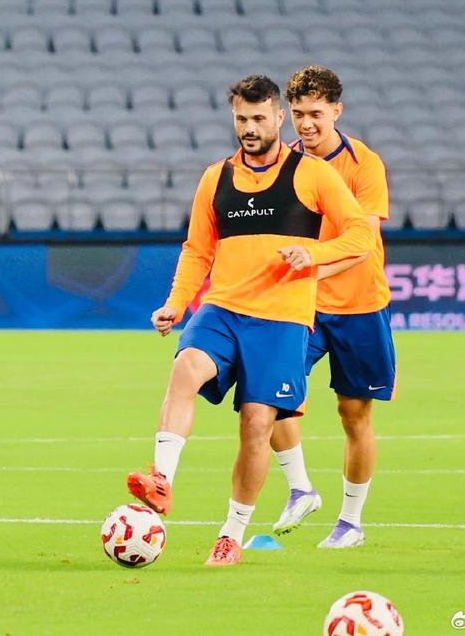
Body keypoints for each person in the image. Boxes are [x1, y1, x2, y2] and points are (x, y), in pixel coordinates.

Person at [126, 74, 375, 566]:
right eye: (241, 119)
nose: (249, 128)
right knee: (185, 368)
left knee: (257, 424)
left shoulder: (311, 174)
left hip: (282, 320)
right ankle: (161, 481)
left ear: (279, 118)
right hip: (222, 308)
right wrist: (176, 303)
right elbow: (197, 249)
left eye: (259, 118)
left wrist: (313, 253)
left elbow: (361, 236)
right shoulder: (215, 177)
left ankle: (231, 533)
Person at [270, 65, 396, 549]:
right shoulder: (284, 166)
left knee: (353, 413)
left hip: (360, 304)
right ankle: (300, 489)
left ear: (337, 111)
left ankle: (350, 523)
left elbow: (363, 243)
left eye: (316, 114)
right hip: (301, 306)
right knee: (267, 395)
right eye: (298, 113)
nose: (306, 124)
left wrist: (311, 268)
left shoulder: (364, 164)